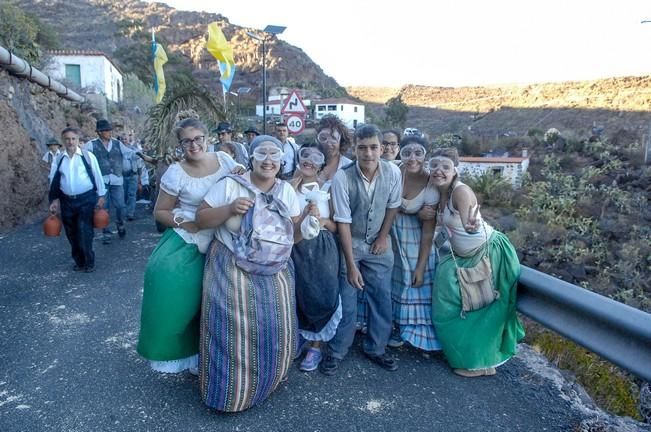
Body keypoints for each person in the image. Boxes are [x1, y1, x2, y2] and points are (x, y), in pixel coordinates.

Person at [196, 135, 301, 412]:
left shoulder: (287, 191)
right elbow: (201, 218)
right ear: (251, 159)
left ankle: (269, 381)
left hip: (275, 272)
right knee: (227, 332)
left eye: (274, 155)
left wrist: (310, 221)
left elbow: (293, 236)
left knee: (274, 327)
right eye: (262, 154)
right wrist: (229, 209)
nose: (269, 160)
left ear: (282, 159)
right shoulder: (231, 185)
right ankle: (229, 395)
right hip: (229, 269)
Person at [137, 118, 242, 375]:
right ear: (180, 144)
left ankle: (217, 352)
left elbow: (241, 180)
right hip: (191, 240)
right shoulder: (176, 172)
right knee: (178, 297)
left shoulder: (224, 160)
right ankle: (187, 354)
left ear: (207, 138)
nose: (193, 145)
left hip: (224, 237)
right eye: (187, 141)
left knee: (220, 302)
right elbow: (160, 211)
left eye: (198, 139)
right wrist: (186, 222)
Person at [422, 147, 524, 377]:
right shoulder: (439, 192)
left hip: (487, 253)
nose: (439, 170)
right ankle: (472, 359)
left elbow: (469, 219)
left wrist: (471, 224)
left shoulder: (460, 191)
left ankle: (478, 363)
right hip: (462, 257)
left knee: (481, 309)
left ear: (455, 170)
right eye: (434, 165)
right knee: (450, 307)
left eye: (445, 167)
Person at [321, 124, 402, 376]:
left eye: (374, 147)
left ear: (382, 148)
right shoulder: (343, 177)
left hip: (379, 243)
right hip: (351, 243)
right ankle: (337, 351)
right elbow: (343, 222)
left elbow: (392, 206)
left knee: (381, 298)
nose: (369, 153)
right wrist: (351, 264)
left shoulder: (393, 173)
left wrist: (383, 236)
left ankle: (376, 348)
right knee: (347, 301)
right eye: (363, 148)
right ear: (355, 149)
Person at [290, 145, 342, 372]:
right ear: (298, 158)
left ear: (322, 163)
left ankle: (316, 347)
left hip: (321, 248)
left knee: (322, 294)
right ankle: (299, 338)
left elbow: (336, 225)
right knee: (296, 294)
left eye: (316, 157)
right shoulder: (285, 186)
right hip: (293, 247)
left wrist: (320, 220)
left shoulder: (328, 189)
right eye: (305, 155)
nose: (310, 161)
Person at [387, 136, 441, 353]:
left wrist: (420, 266)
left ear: (425, 154)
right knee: (391, 284)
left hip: (415, 243)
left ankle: (412, 334)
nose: (412, 158)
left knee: (414, 284)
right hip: (391, 236)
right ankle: (391, 326)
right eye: (407, 152)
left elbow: (429, 232)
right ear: (400, 152)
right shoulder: (393, 171)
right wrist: (408, 210)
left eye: (418, 153)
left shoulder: (431, 184)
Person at [48, 127, 106, 272]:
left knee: (84, 229)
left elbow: (97, 175)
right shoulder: (59, 158)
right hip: (67, 201)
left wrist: (101, 195)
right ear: (63, 141)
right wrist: (54, 200)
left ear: (78, 140)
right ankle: (79, 261)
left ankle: (89, 261)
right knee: (71, 232)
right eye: (67, 139)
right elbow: (53, 179)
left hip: (86, 199)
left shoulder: (87, 156)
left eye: (73, 139)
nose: (70, 142)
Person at [85, 119, 131, 244]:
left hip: (117, 180)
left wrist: (144, 156)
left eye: (110, 130)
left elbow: (130, 153)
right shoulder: (91, 145)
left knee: (121, 206)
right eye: (106, 130)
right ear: (99, 132)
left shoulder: (117, 143)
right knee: (103, 208)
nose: (109, 132)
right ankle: (106, 233)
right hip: (101, 181)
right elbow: (85, 162)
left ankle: (120, 225)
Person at [123, 133, 143, 221]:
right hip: (122, 176)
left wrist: (139, 179)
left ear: (129, 140)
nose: (124, 141)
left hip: (133, 175)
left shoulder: (134, 150)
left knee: (131, 194)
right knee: (123, 195)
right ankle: (123, 212)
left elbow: (139, 165)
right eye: (123, 139)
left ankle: (130, 213)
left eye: (126, 139)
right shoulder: (118, 151)